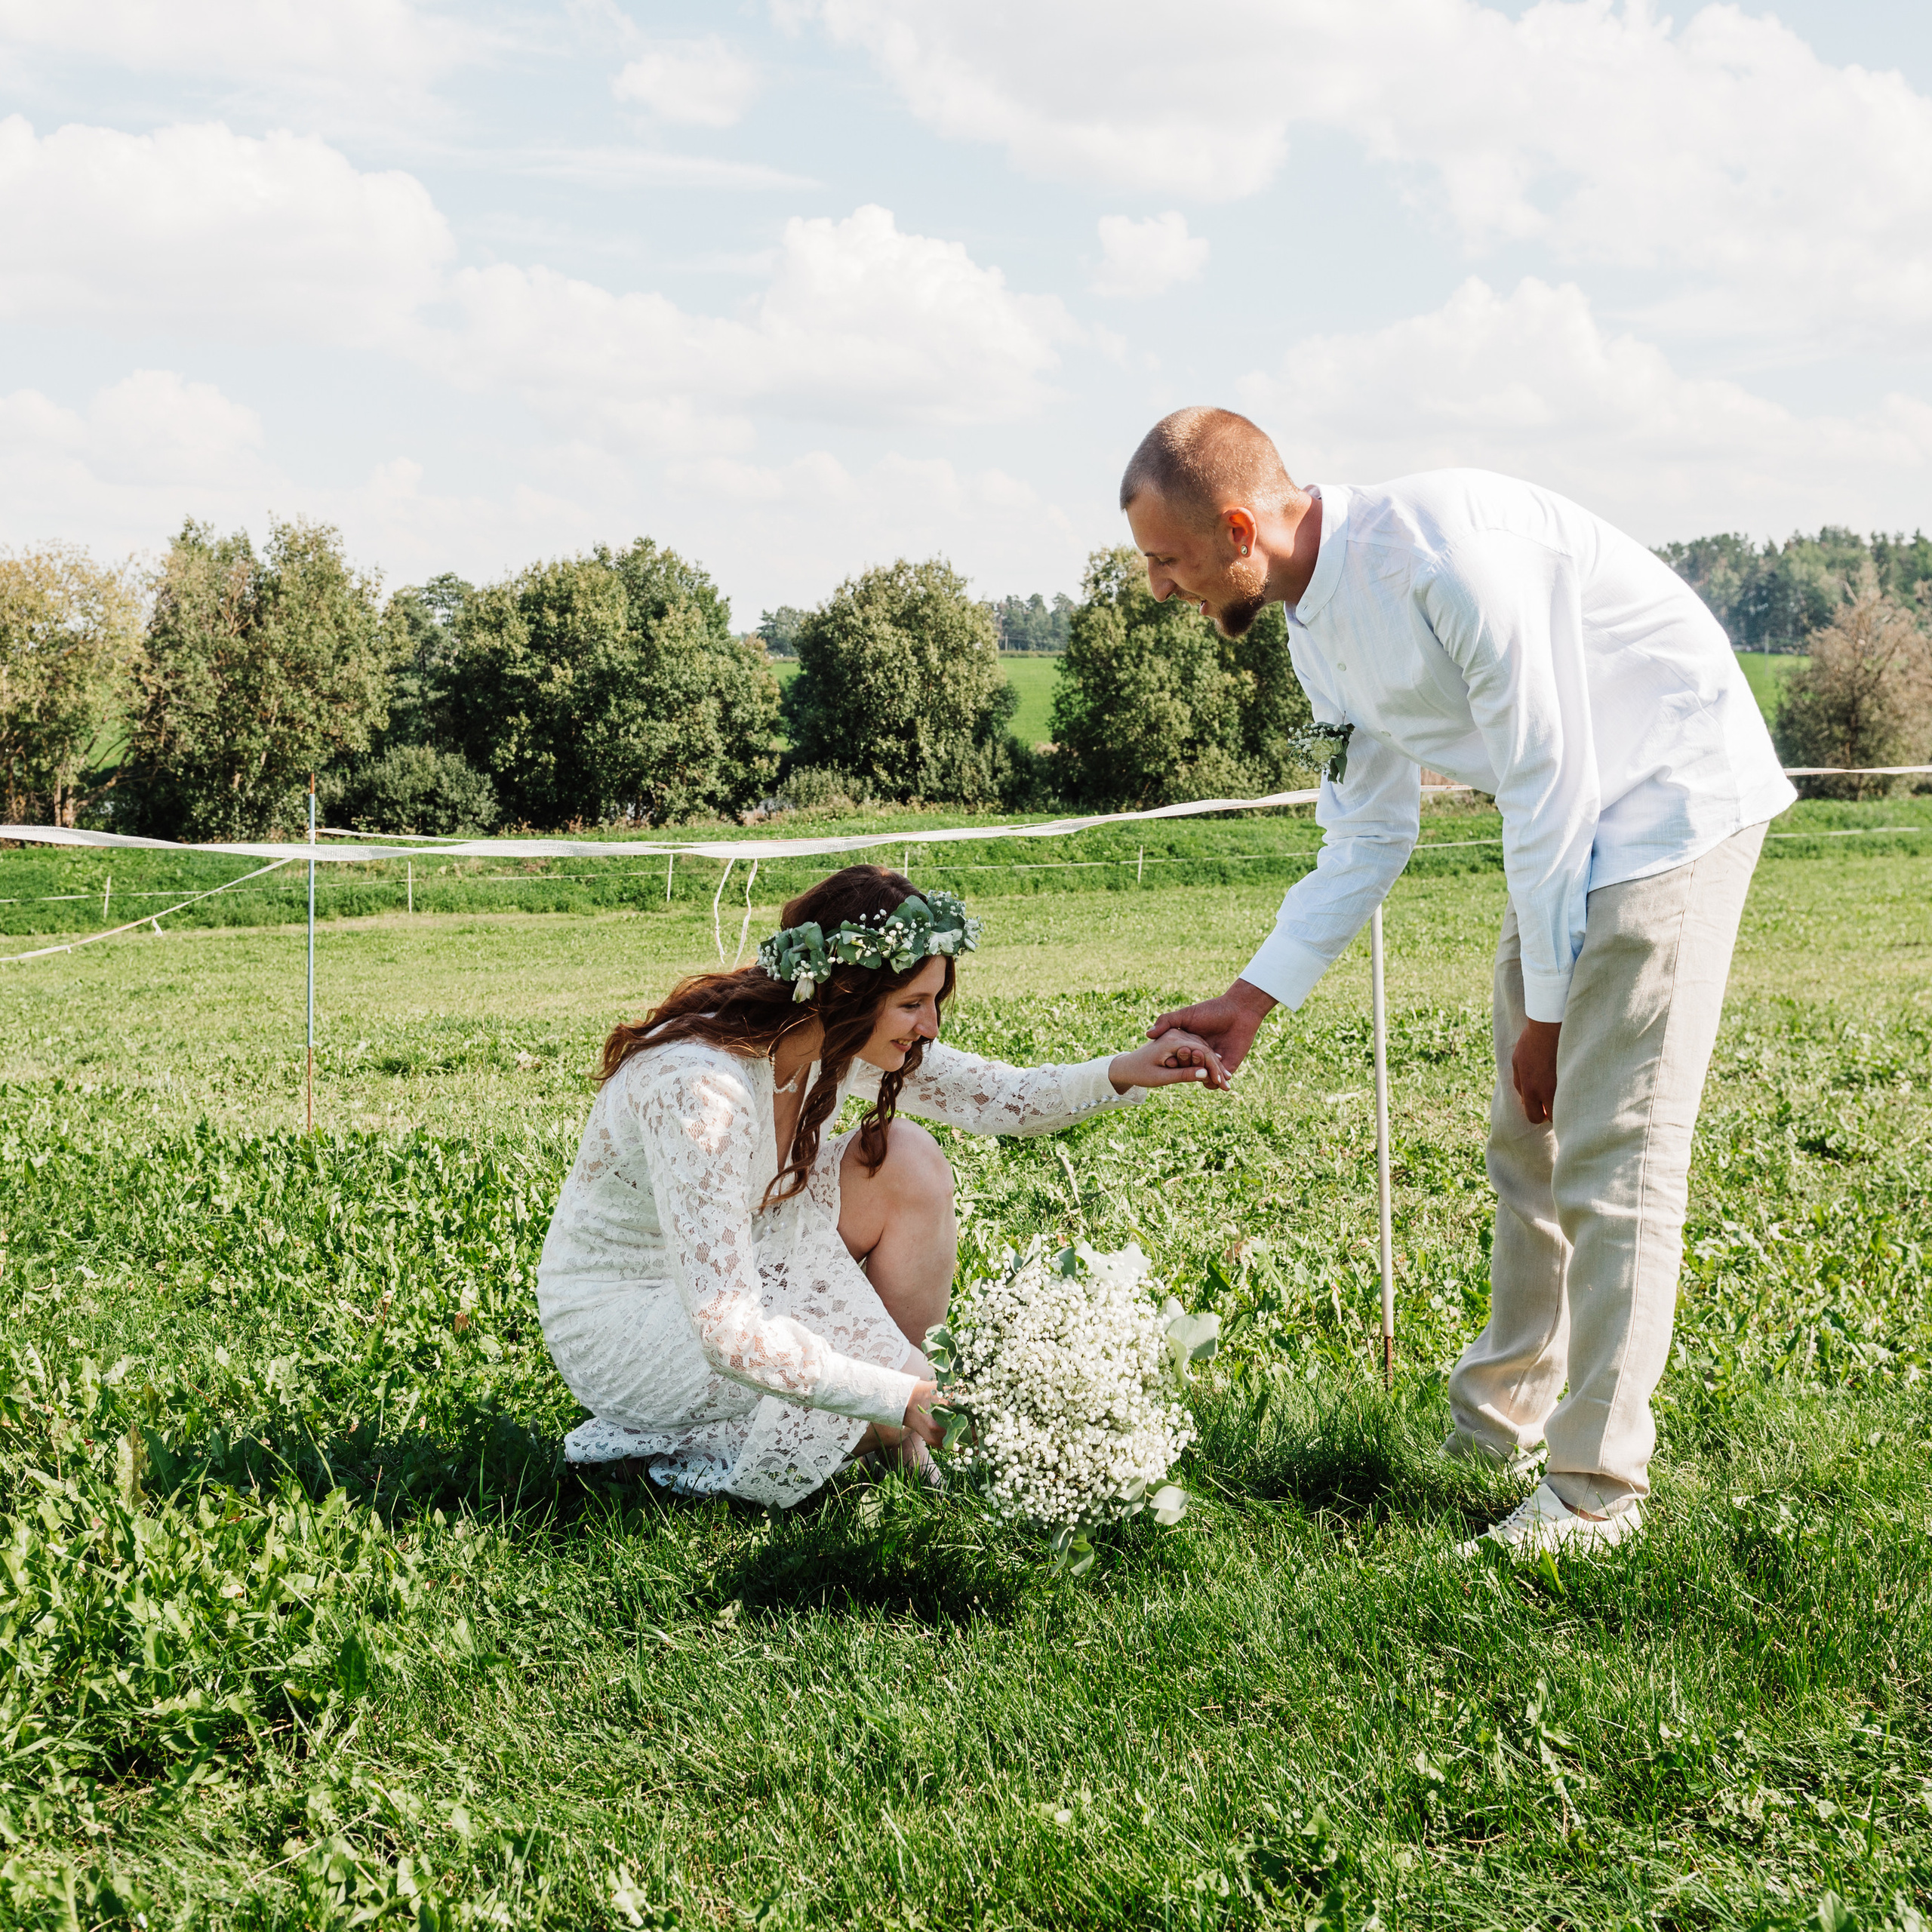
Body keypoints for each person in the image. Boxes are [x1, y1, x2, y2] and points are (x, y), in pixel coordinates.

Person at [1130, 406, 1795, 1558]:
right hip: (1574, 826)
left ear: (1240, 527)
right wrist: (1254, 997)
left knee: (1613, 1152)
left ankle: (1595, 1494)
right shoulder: (1314, 632)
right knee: (1524, 1137)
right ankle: (1499, 1428)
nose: (1157, 588)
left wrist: (1547, 1012)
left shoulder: (1445, 559)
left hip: (1668, 800)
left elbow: (1549, 782)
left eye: (1167, 560)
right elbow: (1366, 834)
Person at [538, 864, 1226, 1508]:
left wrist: (1128, 1069)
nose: (929, 1027)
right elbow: (726, 1328)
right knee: (837, 1357)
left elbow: (1000, 1096)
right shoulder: (702, 1091)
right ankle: (900, 1413)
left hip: (756, 1258)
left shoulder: (836, 1042)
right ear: (845, 992)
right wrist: (895, 1397)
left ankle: (902, 1413)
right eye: (914, 1004)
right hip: (629, 1321)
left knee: (907, 1158)